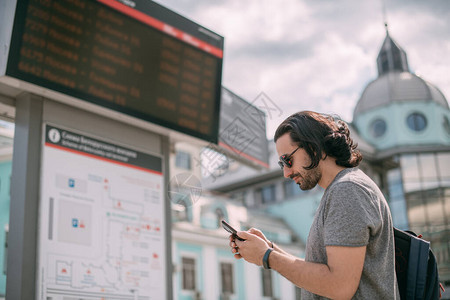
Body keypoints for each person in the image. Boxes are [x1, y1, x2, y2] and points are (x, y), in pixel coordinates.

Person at [229, 111, 399, 299]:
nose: (286, 172)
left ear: (314, 148)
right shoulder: (342, 189)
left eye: (287, 160)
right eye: (281, 164)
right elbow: (324, 272)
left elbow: (339, 286)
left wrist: (268, 256)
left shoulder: (347, 190)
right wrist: (269, 248)